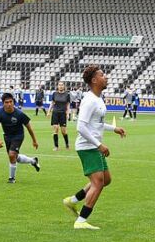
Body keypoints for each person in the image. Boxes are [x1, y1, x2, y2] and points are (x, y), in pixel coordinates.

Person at [62, 65, 126, 230]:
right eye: (102, 75)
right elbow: (81, 127)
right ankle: (81, 221)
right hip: (88, 147)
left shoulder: (98, 98)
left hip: (93, 146)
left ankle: (73, 200)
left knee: (106, 180)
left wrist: (114, 129)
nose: (106, 77)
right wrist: (99, 145)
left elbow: (96, 123)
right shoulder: (89, 100)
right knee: (98, 183)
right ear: (94, 80)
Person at [0, 92, 40, 183]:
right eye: (6, 102)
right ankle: (33, 161)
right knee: (14, 157)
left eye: (11, 102)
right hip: (7, 137)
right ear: (3, 103)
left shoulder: (19, 114)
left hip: (18, 136)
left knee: (11, 155)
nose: (9, 104)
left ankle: (11, 178)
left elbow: (29, 128)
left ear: (13, 102)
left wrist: (34, 140)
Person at [49, 81, 71, 151]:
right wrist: (49, 111)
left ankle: (67, 144)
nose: (60, 86)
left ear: (64, 86)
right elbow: (52, 103)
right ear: (57, 86)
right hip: (55, 113)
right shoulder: (54, 94)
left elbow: (68, 104)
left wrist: (67, 113)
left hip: (63, 114)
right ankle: (56, 146)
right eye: (59, 85)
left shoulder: (67, 94)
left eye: (62, 85)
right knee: (55, 129)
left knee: (63, 131)